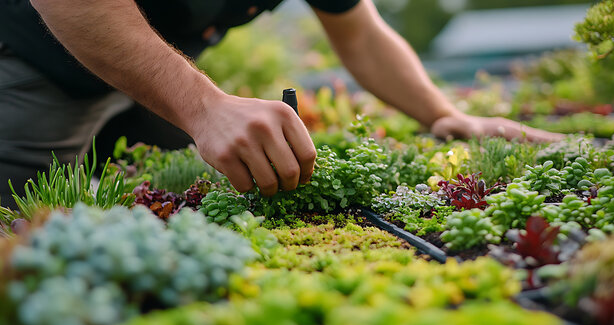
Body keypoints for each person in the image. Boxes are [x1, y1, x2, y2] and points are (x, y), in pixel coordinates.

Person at [0, 0, 562, 208]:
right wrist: (204, 107)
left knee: (174, 194)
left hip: (153, 65)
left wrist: (445, 115)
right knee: (20, 221)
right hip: (33, 63)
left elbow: (360, 32)